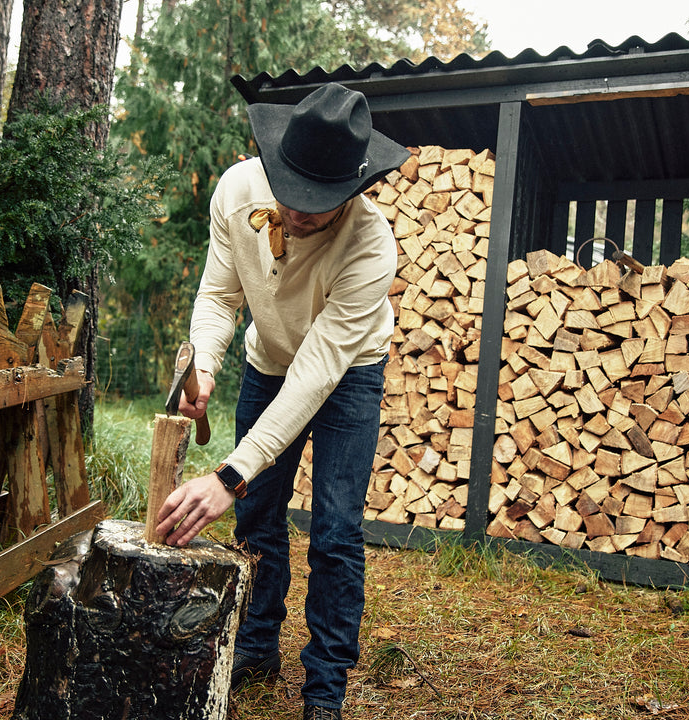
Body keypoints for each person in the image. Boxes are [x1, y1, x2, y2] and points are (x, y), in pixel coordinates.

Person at [156, 82, 410, 720]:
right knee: (258, 521)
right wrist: (206, 363)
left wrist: (230, 473)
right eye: (290, 190)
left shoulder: (372, 248)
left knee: (335, 530)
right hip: (268, 362)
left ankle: (325, 687)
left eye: (317, 202)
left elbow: (318, 372)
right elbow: (219, 296)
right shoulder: (235, 192)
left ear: (353, 191)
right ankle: (255, 647)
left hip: (347, 374)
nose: (298, 210)